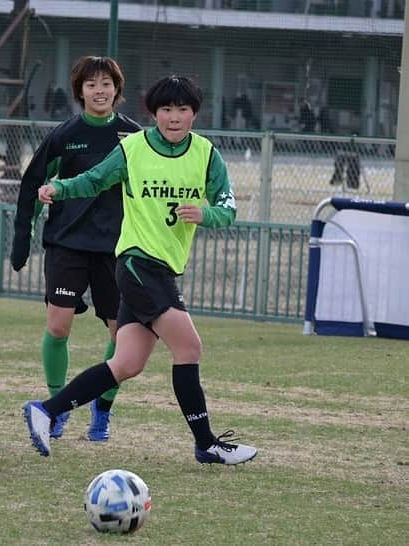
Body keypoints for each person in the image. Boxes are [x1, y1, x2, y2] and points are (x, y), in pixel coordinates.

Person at [23, 75, 258, 466]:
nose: (174, 117)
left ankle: (44, 410)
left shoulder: (206, 154)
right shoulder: (132, 148)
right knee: (189, 347)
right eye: (166, 109)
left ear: (194, 114)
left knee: (127, 364)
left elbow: (228, 207)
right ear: (154, 113)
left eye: (183, 109)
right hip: (136, 263)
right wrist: (59, 189)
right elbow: (95, 180)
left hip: (164, 270)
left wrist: (207, 213)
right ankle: (206, 443)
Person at [11, 56, 141, 442]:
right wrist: (22, 239)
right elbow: (32, 185)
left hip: (115, 249)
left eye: (106, 83)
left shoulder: (135, 138)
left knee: (123, 335)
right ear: (79, 91)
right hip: (67, 243)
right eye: (91, 84)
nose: (99, 91)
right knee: (58, 326)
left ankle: (101, 413)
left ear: (117, 89)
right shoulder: (63, 135)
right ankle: (57, 410)